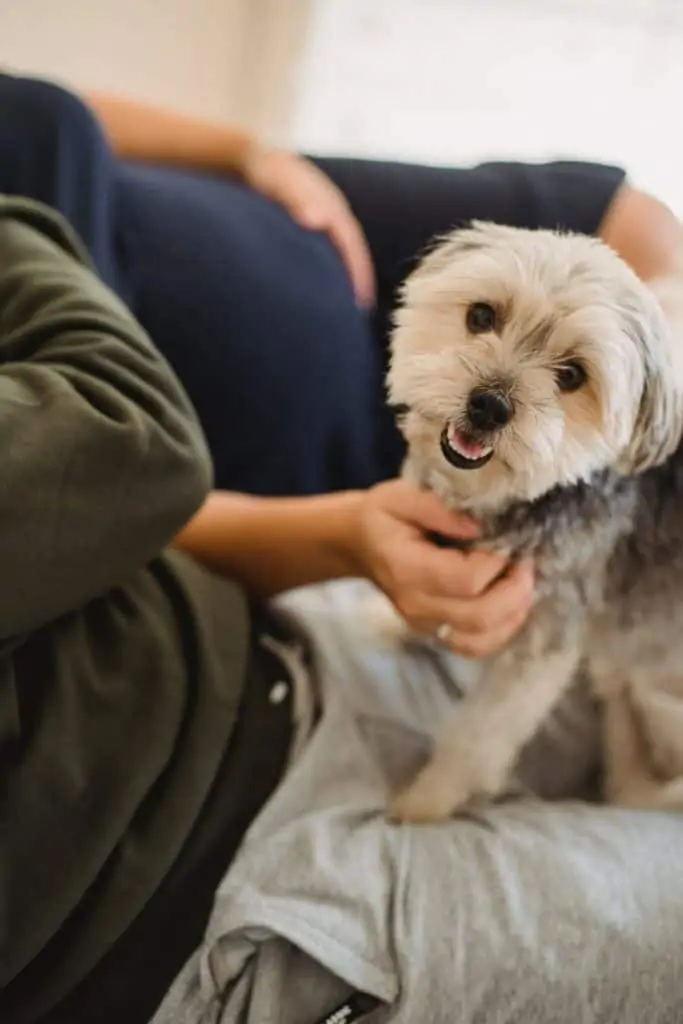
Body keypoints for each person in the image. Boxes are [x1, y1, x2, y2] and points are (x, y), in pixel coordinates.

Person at [0, 72, 680, 496]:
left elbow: (61, 116)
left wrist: (253, 154)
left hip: (319, 216)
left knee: (633, 222)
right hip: (365, 452)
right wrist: (343, 543)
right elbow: (85, 495)